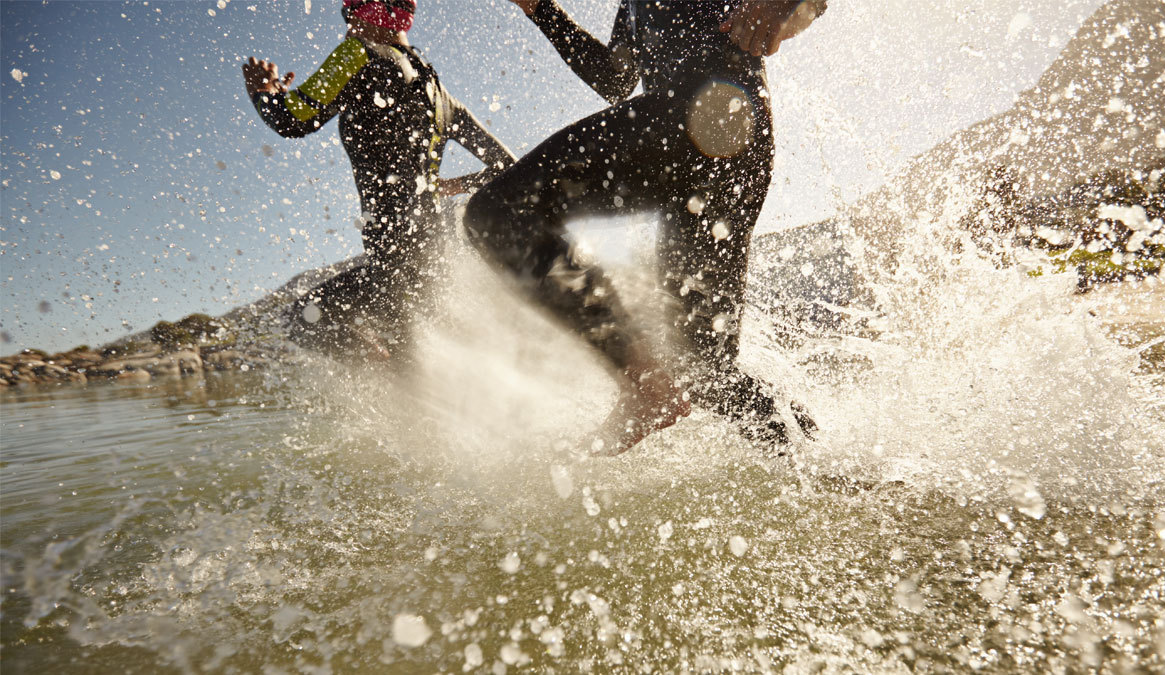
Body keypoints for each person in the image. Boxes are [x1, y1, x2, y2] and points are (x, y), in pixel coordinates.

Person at [464, 0, 826, 455]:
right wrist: (541, 10)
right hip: (707, 142)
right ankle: (819, 465)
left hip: (714, 114)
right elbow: (615, 79)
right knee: (705, 371)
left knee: (499, 213)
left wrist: (781, 6)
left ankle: (645, 384)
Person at [243, 0, 515, 363]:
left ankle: (380, 364)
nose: (347, 26)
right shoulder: (440, 96)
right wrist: (443, 186)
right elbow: (508, 167)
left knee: (303, 321)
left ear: (370, 13)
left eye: (350, 13)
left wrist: (263, 92)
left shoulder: (358, 54)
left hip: (393, 261)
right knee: (419, 369)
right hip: (436, 260)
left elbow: (292, 120)